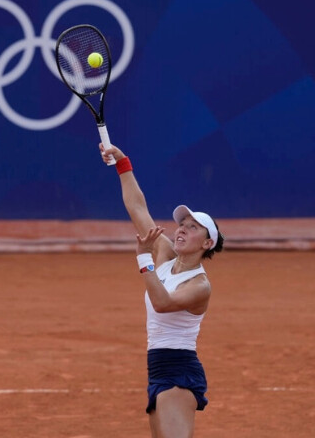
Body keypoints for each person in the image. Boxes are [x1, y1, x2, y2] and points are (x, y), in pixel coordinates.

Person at [99, 143, 224, 438]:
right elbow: (137, 207)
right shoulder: (166, 255)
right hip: (157, 369)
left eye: (193, 228)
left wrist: (144, 258)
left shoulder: (199, 285)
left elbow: (162, 303)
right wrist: (122, 163)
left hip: (179, 373)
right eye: (182, 224)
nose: (181, 229)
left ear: (207, 244)